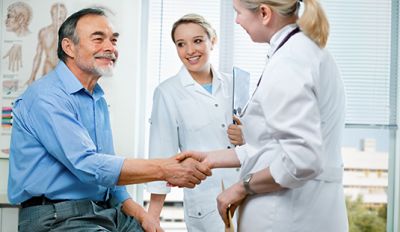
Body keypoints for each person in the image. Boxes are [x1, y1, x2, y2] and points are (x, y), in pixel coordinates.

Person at [8, 8, 211, 232]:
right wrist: (165, 169)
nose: (110, 47)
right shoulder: (46, 97)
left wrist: (144, 216)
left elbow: (108, 175)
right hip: (56, 217)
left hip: (103, 212)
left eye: (113, 40)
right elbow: (87, 165)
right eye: (98, 39)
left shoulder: (96, 98)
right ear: (69, 47)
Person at [178, 0, 349, 231]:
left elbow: (302, 159)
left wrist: (242, 187)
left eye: (238, 13)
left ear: (264, 13)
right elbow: (271, 148)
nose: (237, 21)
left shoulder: (289, 61)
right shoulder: (305, 51)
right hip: (308, 210)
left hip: (286, 215)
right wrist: (210, 158)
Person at [146, 14, 245, 232]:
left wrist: (246, 136)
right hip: (208, 200)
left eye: (198, 41)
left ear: (213, 40)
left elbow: (265, 140)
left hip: (249, 193)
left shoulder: (236, 84)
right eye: (181, 44)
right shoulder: (167, 92)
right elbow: (162, 155)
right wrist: (152, 216)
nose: (190, 50)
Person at [26, 3, 68, 85]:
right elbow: (38, 55)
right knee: (46, 91)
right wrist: (32, 76)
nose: (59, 17)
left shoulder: (70, 34)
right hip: (49, 65)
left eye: (61, 15)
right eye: (56, 14)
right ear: (52, 15)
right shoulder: (44, 32)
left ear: (65, 16)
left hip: (64, 66)